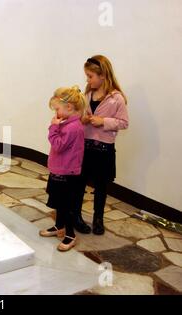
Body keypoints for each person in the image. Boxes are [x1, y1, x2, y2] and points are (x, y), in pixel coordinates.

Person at [72, 55, 129, 235]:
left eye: (90, 76)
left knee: (101, 186)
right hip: (85, 147)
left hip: (104, 150)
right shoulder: (86, 94)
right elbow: (77, 117)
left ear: (103, 75)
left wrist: (103, 121)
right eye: (87, 76)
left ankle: (98, 219)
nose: (87, 80)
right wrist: (84, 119)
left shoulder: (117, 98)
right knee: (79, 183)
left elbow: (124, 122)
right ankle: (76, 217)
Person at [39, 86, 87, 252]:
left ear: (69, 108)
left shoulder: (73, 128)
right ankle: (59, 226)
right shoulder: (67, 124)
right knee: (58, 202)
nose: (55, 113)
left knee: (66, 205)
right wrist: (57, 127)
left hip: (67, 174)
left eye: (57, 109)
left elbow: (58, 145)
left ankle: (70, 234)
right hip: (59, 171)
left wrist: (53, 128)